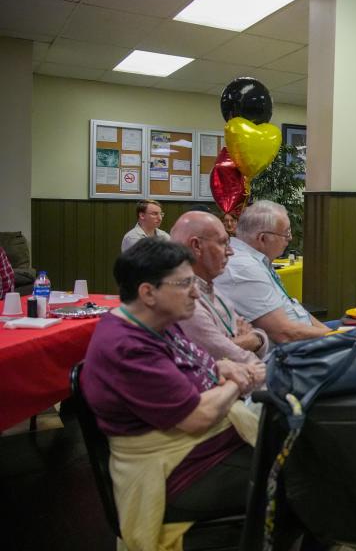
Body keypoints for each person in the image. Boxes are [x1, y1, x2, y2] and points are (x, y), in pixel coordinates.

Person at [80, 239, 263, 549]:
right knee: (302, 475)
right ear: (148, 293)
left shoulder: (160, 321)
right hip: (177, 473)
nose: (195, 292)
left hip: (206, 450)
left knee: (310, 453)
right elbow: (196, 416)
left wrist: (222, 367)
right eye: (185, 283)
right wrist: (237, 381)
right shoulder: (126, 347)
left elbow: (194, 369)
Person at [215, 201, 337, 344]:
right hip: (295, 350)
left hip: (304, 334)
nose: (290, 238)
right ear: (263, 238)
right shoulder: (245, 267)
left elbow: (296, 309)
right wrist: (340, 337)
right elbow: (285, 334)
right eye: (286, 233)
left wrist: (334, 335)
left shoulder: (259, 259)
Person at [170, 211, 267, 364]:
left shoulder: (210, 287)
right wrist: (249, 341)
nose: (230, 251)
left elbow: (252, 336)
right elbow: (234, 359)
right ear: (197, 246)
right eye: (223, 243)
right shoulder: (186, 300)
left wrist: (255, 339)